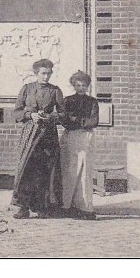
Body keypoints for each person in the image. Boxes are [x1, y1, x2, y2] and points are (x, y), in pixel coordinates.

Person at [11, 58, 65, 219]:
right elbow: (16, 112)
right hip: (29, 134)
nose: (45, 77)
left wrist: (50, 117)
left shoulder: (55, 91)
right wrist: (30, 115)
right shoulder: (27, 89)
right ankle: (23, 207)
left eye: (48, 74)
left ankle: (42, 206)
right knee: (27, 169)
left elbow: (63, 114)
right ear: (36, 73)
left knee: (45, 170)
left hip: (47, 136)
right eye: (43, 73)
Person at [60, 70, 99, 220]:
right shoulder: (68, 101)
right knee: (69, 170)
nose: (80, 87)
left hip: (85, 137)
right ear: (73, 85)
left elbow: (94, 121)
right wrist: (77, 121)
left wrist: (76, 120)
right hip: (70, 137)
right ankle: (66, 205)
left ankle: (85, 207)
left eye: (83, 85)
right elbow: (64, 120)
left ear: (88, 86)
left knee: (85, 171)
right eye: (77, 85)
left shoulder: (92, 102)